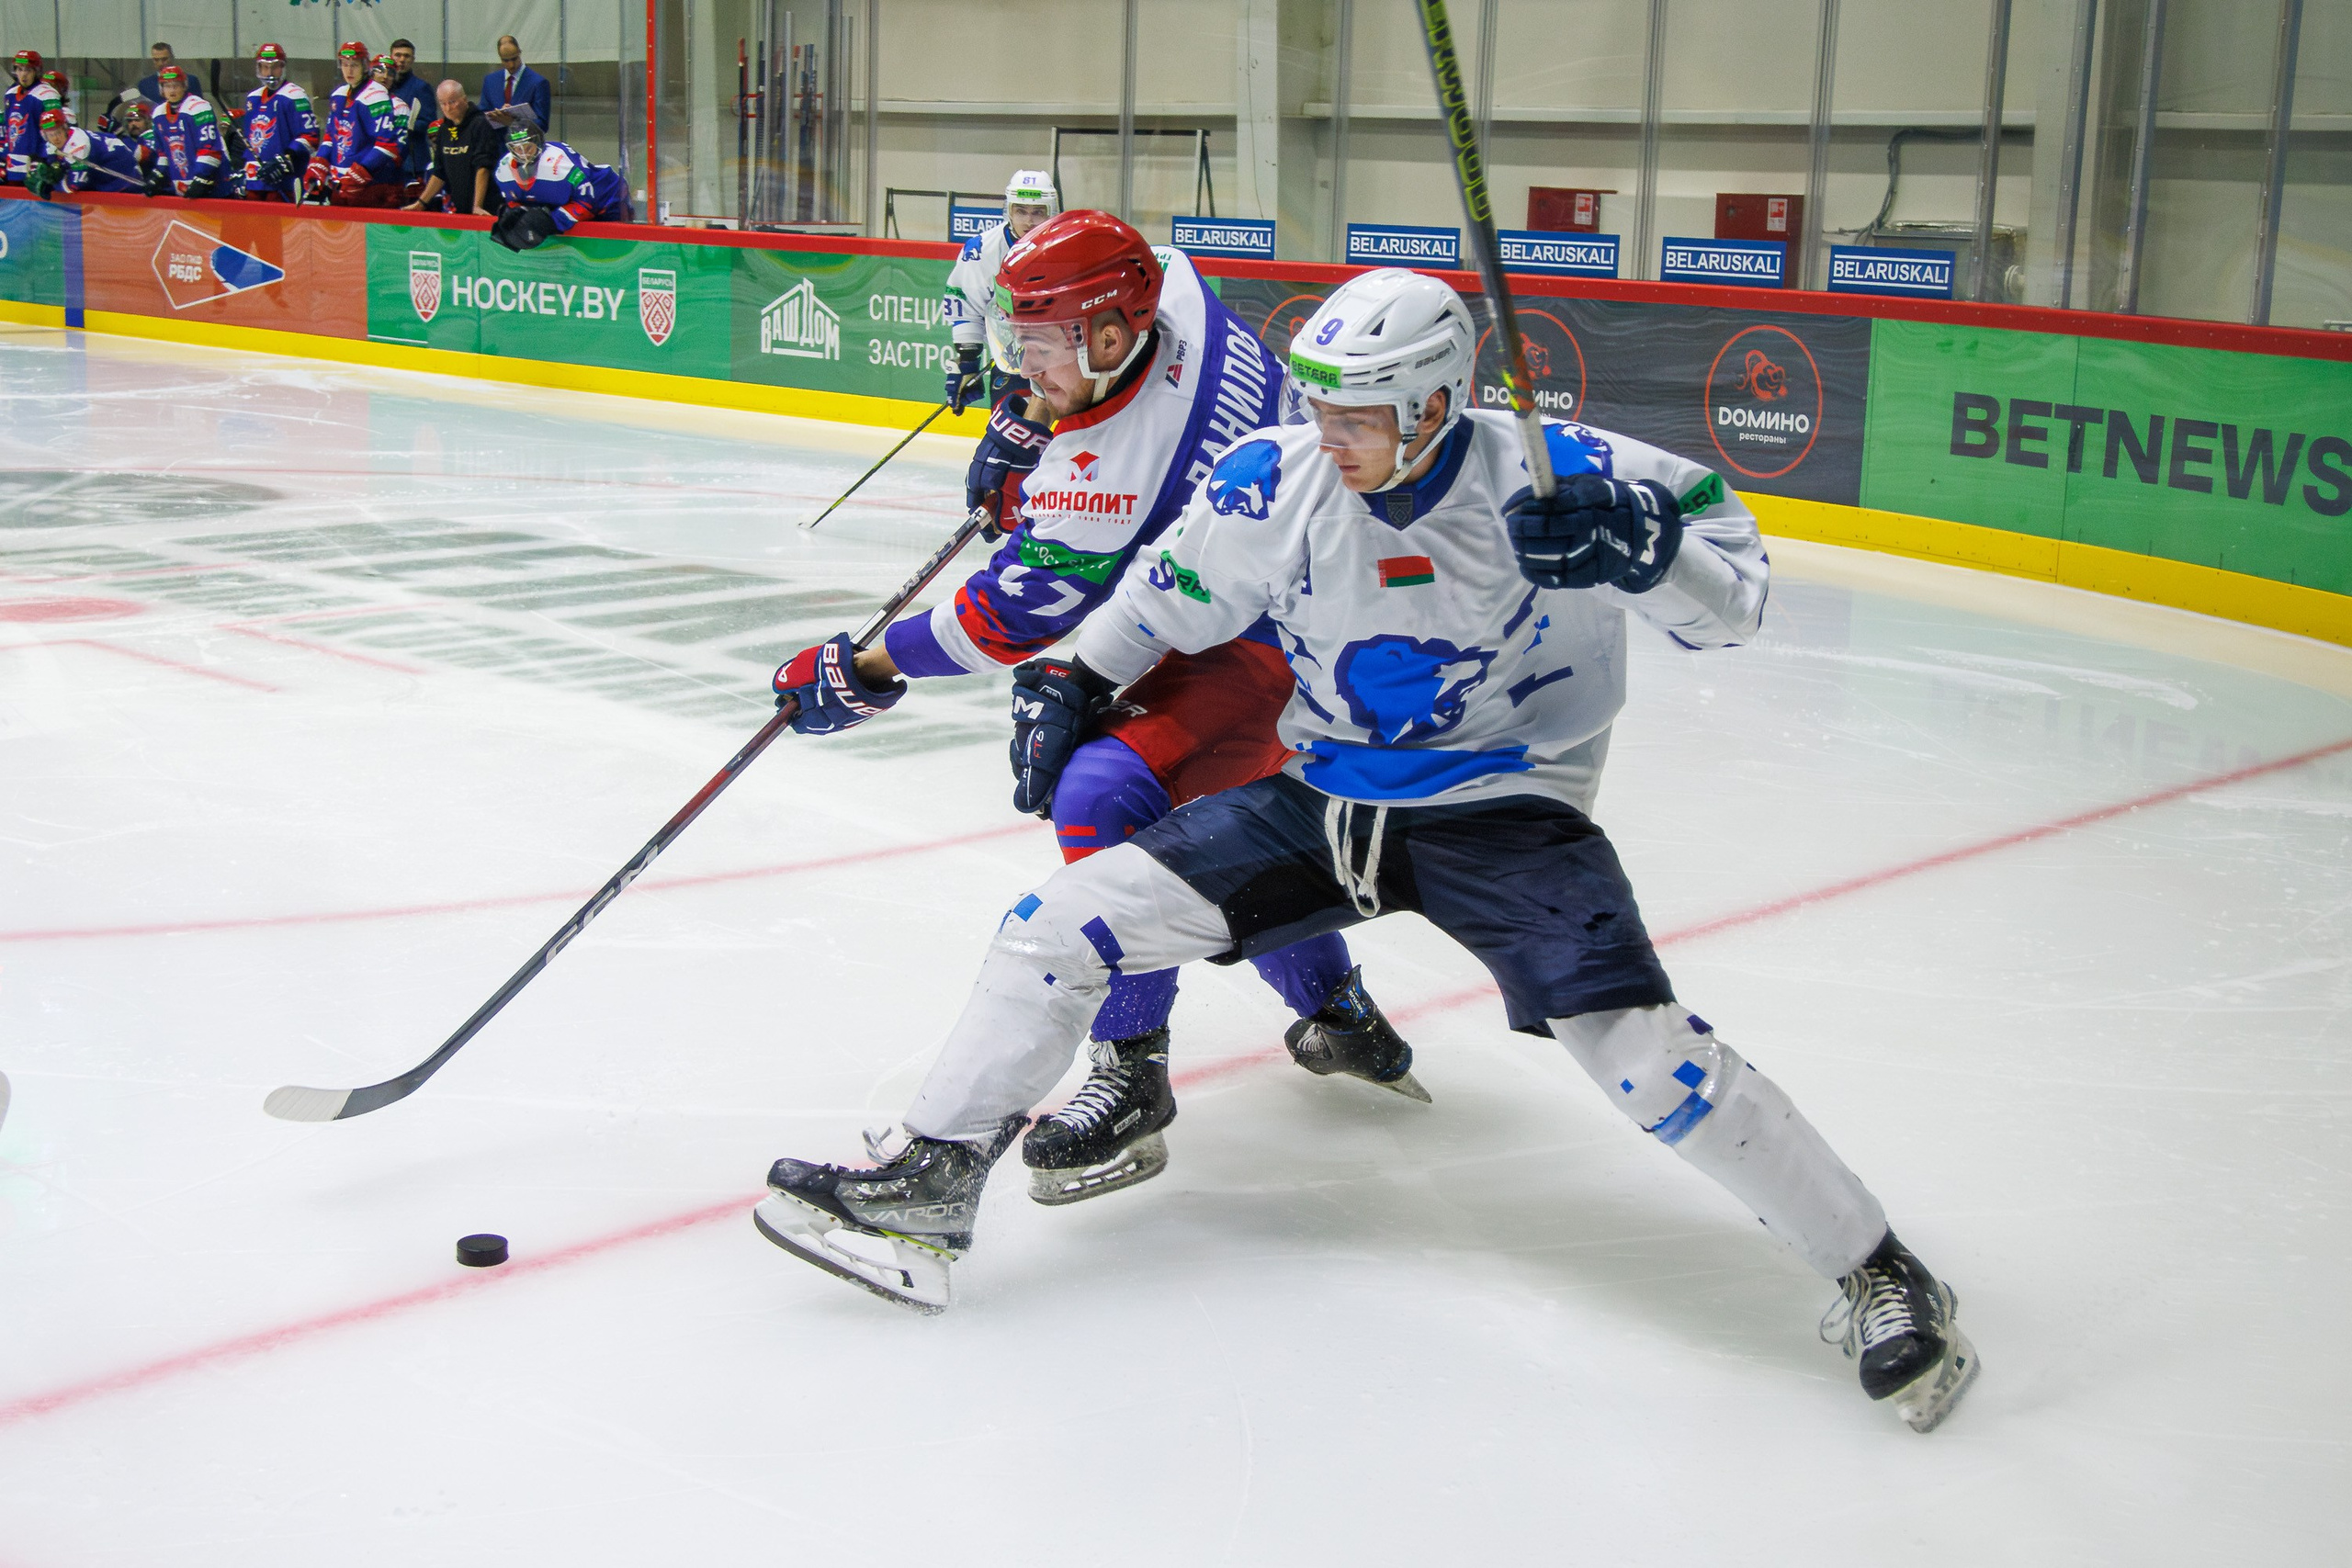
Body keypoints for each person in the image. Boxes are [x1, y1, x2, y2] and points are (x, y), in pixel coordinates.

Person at [754, 266, 1982, 1437]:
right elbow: (1164, 598)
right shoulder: (1274, 480)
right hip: (1326, 799)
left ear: (1438, 403)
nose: (1325, 430)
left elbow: (1741, 600)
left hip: (1511, 809)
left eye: (1357, 413)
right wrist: (1076, 677)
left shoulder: (1567, 473)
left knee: (1646, 1056)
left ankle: (1881, 1271)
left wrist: (1649, 550)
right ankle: (927, 1184)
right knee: (1057, 925)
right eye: (1321, 403)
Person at [765, 209, 1421, 1213]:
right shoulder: (1173, 281)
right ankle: (1339, 1012)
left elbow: (998, 623)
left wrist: (860, 669)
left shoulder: (1106, 482)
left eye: (1040, 350)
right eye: (1015, 345)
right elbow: (1099, 411)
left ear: (1113, 336)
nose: (1023, 367)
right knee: (1241, 818)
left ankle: (1133, 1073)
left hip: (1291, 634)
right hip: (1303, 592)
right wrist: (1037, 420)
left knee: (1105, 793)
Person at [940, 169, 1057, 415]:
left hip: (1066, 363)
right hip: (1013, 363)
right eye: (1021, 211)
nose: (1029, 221)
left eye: (1038, 212)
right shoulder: (982, 250)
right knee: (1012, 434)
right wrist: (968, 361)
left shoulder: (1070, 247)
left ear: (1051, 211)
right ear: (1009, 211)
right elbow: (966, 304)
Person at [487, 115, 632, 249]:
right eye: (518, 149)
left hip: (608, 201)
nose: (524, 154)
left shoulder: (559, 162)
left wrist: (553, 222)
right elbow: (516, 203)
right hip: (572, 203)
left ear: (538, 143)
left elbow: (587, 201)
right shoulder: (503, 170)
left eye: (528, 147)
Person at [307, 41, 405, 208]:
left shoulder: (376, 95)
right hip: (339, 183)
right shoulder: (339, 94)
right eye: (345, 65)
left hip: (369, 187)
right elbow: (331, 136)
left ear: (365, 66)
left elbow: (387, 145)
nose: (349, 70)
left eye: (354, 65)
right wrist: (320, 161)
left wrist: (363, 171)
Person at [237, 42, 316, 203]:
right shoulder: (253, 98)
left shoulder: (295, 95)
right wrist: (244, 170)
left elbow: (311, 137)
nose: (269, 72)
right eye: (264, 67)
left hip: (284, 181)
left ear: (283, 67)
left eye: (274, 67)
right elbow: (251, 139)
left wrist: (284, 160)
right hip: (256, 180)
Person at [408, 78, 499, 214]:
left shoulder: (480, 124)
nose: (448, 108)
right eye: (443, 104)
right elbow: (439, 172)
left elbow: (483, 167)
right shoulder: (444, 129)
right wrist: (421, 203)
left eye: (452, 102)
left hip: (486, 207)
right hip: (460, 208)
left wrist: (477, 206)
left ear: (464, 99)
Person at [27, 105, 148, 197]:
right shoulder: (53, 143)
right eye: (50, 135)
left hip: (126, 182)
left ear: (65, 129)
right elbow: (53, 162)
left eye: (58, 132)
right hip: (107, 183)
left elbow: (74, 185)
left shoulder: (80, 145)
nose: (55, 138)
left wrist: (49, 186)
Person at [150, 64, 227, 198]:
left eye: (176, 85)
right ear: (161, 89)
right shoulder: (158, 114)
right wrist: (158, 175)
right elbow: (163, 153)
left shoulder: (198, 107)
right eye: (167, 86)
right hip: (181, 186)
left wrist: (201, 179)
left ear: (184, 86)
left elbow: (210, 150)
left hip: (212, 185)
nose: (172, 90)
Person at [4, 49, 60, 186]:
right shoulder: (10, 94)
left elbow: (56, 131)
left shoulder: (47, 95)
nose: (23, 75)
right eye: (20, 69)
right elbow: (9, 129)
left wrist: (49, 158)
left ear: (36, 71)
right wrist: (3, 155)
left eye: (28, 70)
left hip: (37, 163)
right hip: (14, 164)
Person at [381, 39, 434, 177]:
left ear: (413, 60)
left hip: (412, 163)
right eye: (398, 55)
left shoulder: (421, 87)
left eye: (407, 56)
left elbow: (430, 123)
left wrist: (405, 123)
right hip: (385, 160)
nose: (402, 59)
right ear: (391, 57)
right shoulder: (381, 88)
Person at [479, 37, 551, 133]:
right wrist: (496, 116)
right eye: (506, 60)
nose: (511, 65)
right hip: (496, 144)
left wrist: (513, 122)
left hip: (525, 144)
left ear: (519, 53)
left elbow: (542, 125)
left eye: (514, 59)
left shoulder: (538, 83)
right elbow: (481, 116)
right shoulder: (490, 81)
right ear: (500, 58)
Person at [134, 41, 175, 107]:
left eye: (164, 59)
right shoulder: (144, 84)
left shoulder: (190, 81)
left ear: (172, 58)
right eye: (156, 60)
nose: (160, 63)